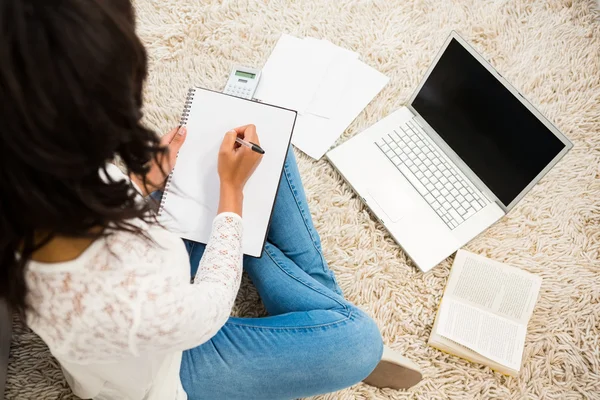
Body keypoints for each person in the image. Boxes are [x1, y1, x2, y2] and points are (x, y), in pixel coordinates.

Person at [0, 0, 422, 399]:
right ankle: (321, 320)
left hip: (146, 293)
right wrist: (232, 199)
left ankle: (310, 314)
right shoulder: (127, 293)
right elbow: (209, 307)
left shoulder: (27, 169)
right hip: (169, 371)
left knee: (258, 136)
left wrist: (140, 183)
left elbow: (84, 207)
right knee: (359, 341)